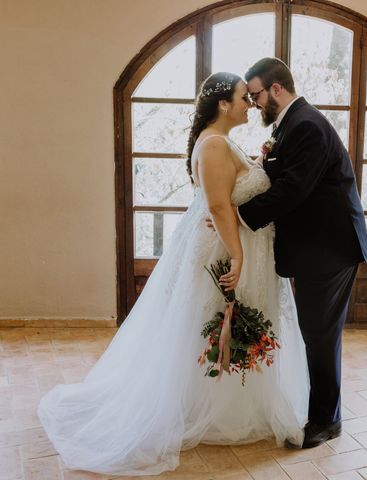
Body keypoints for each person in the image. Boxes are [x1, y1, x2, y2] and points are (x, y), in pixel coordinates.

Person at [37, 72, 309, 476]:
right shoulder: (215, 145)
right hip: (224, 250)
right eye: (242, 98)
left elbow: (228, 198)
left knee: (221, 326)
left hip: (240, 245)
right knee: (211, 325)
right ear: (222, 104)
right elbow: (218, 208)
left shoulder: (221, 141)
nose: (249, 104)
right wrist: (237, 258)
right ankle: (208, 410)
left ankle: (230, 404)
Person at [238, 58, 367, 449]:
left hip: (330, 248)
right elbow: (284, 176)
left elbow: (293, 189)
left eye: (256, 94)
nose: (254, 103)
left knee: (320, 333)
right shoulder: (292, 125)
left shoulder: (307, 125)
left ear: (276, 89)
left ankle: (326, 420)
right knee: (316, 331)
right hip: (316, 246)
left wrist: (239, 214)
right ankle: (325, 412)